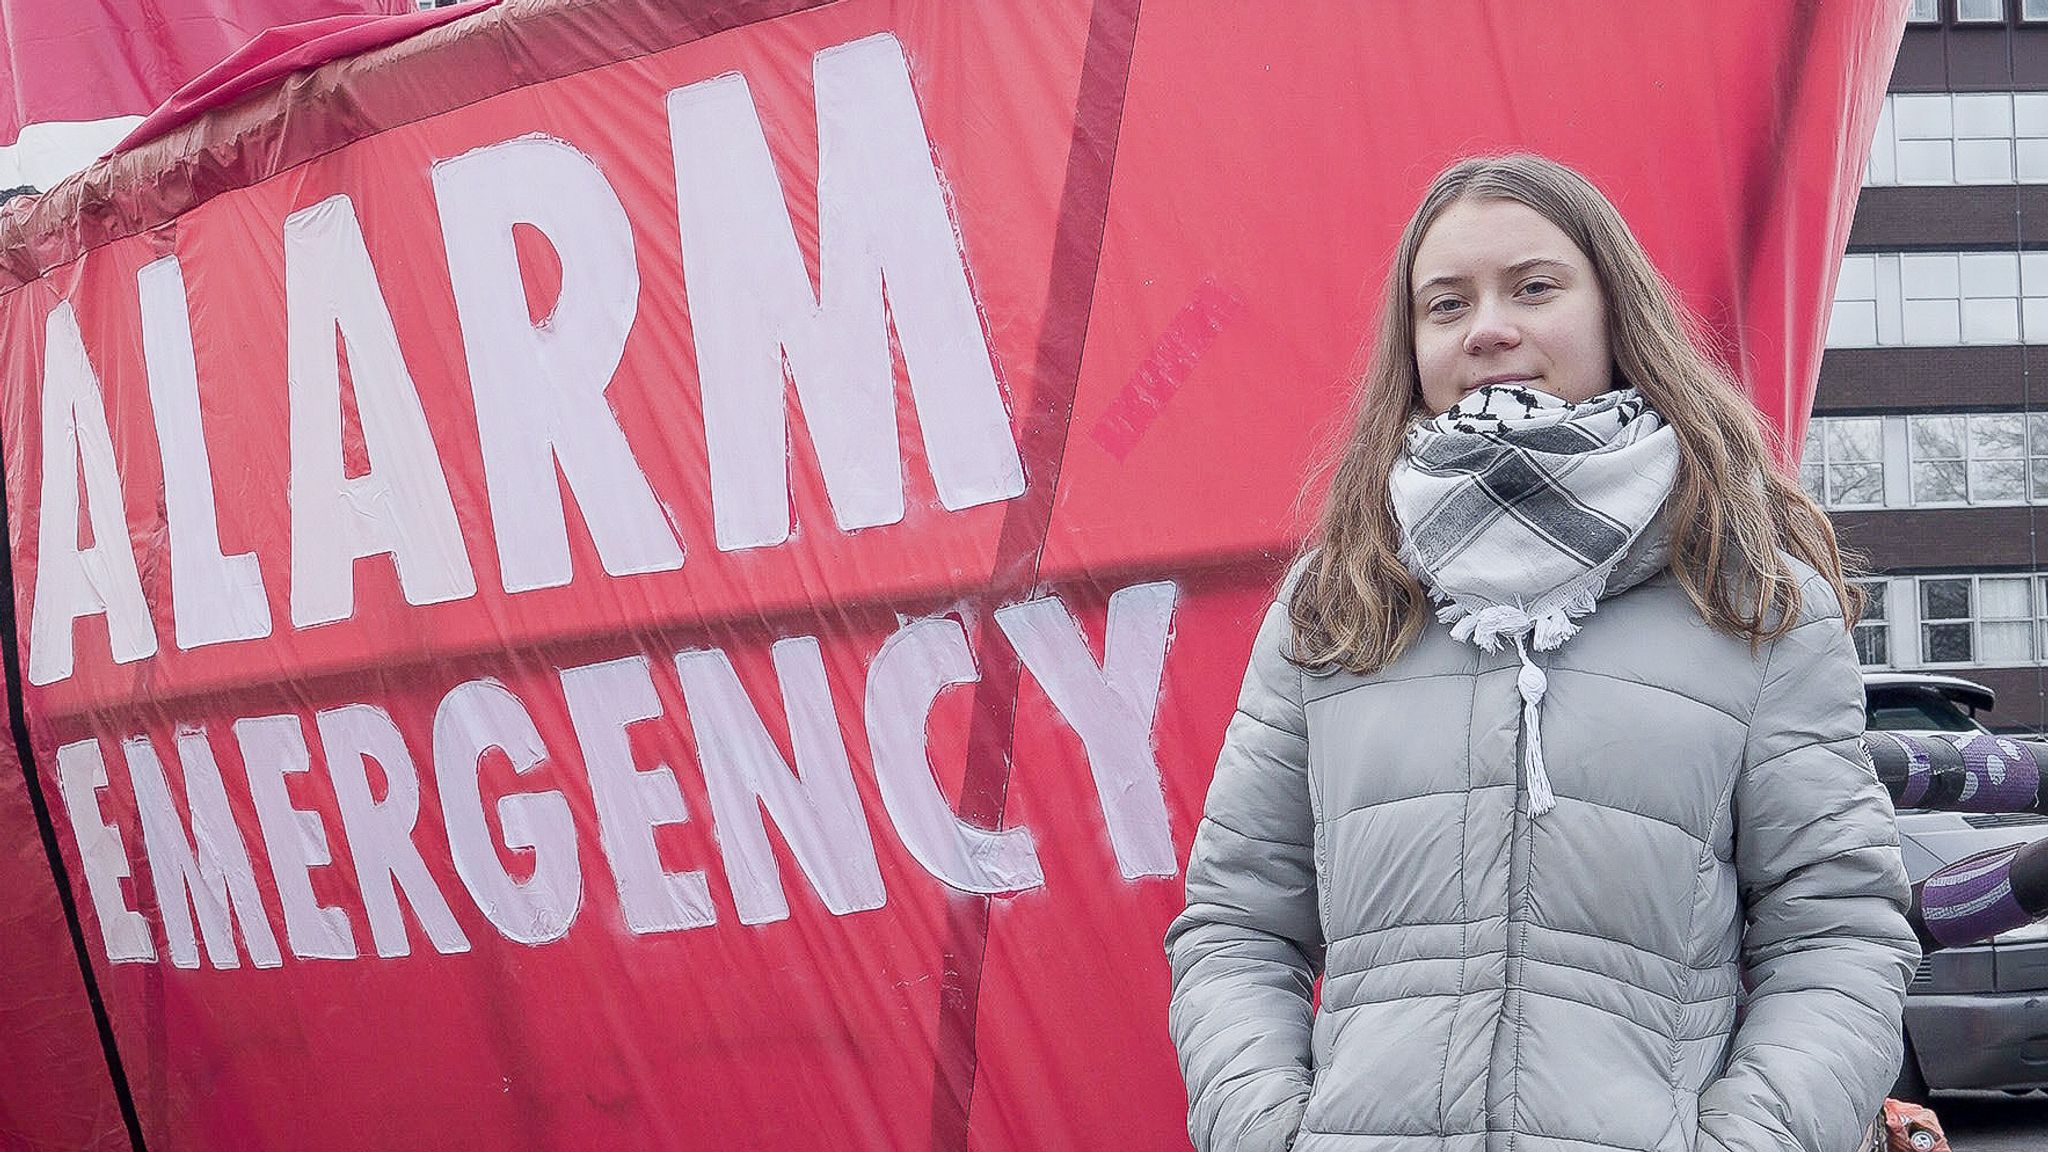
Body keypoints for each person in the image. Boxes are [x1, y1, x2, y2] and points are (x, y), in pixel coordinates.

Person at [1164, 153, 1918, 1152]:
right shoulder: (1335, 607)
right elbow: (1236, 928)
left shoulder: (1750, 602)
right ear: (1413, 347)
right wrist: (1265, 1133)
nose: (1486, 327)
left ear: (1615, 315)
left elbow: (1837, 935)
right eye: (1446, 304)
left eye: (1532, 288)